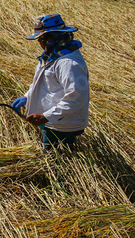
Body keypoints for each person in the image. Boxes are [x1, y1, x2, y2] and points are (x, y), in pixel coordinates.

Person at [11, 14, 90, 151]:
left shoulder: (68, 63)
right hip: (55, 121)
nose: (40, 43)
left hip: (63, 125)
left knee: (55, 160)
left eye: (42, 38)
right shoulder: (51, 55)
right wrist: (27, 96)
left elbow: (77, 97)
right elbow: (43, 83)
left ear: (53, 37)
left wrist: (46, 116)